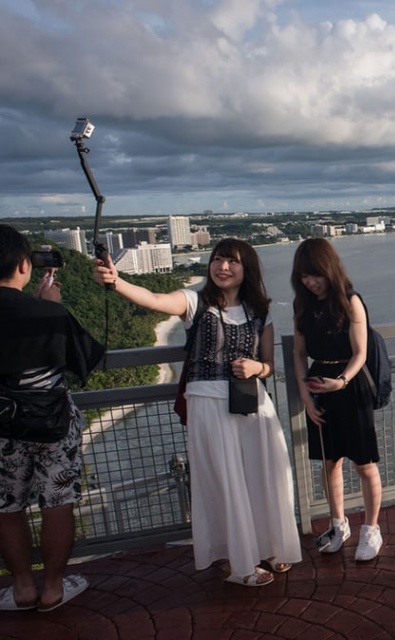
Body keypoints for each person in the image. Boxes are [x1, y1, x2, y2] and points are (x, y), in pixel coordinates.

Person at [93, 238, 301, 587]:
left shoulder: (260, 310)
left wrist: (255, 368)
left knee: (263, 475)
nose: (223, 267)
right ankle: (239, 561)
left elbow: (268, 365)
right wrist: (117, 282)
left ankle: (271, 545)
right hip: (207, 402)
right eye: (218, 260)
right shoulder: (195, 302)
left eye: (232, 262)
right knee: (225, 481)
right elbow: (155, 299)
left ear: (246, 268)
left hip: (253, 403)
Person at [0, 225, 105, 612]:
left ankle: (23, 588)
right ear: (25, 265)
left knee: (6, 507)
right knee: (56, 503)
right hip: (52, 424)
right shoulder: (46, 312)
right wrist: (51, 308)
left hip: (2, 428)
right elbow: (87, 360)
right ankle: (54, 588)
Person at [290, 238, 384, 562]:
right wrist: (306, 394)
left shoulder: (350, 300)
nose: (310, 281)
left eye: (314, 274)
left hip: (350, 386)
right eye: (303, 276)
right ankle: (338, 524)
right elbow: (299, 353)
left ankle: (371, 529)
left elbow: (360, 353)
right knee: (330, 463)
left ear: (328, 268)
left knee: (365, 464)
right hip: (318, 386)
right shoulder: (302, 305)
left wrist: (341, 381)